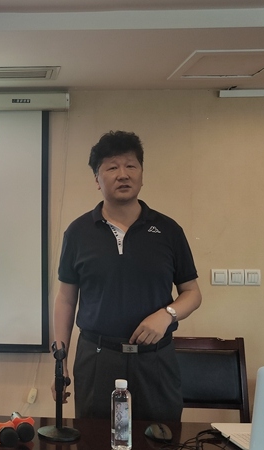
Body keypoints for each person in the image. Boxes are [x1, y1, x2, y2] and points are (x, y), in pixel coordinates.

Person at [51, 130, 202, 422]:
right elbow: (66, 300)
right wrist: (61, 362)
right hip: (97, 358)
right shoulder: (78, 232)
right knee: (94, 438)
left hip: (155, 359)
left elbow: (192, 293)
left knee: (162, 436)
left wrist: (167, 314)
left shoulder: (169, 230)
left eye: (131, 166)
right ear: (97, 179)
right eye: (112, 167)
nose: (123, 174)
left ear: (142, 174)